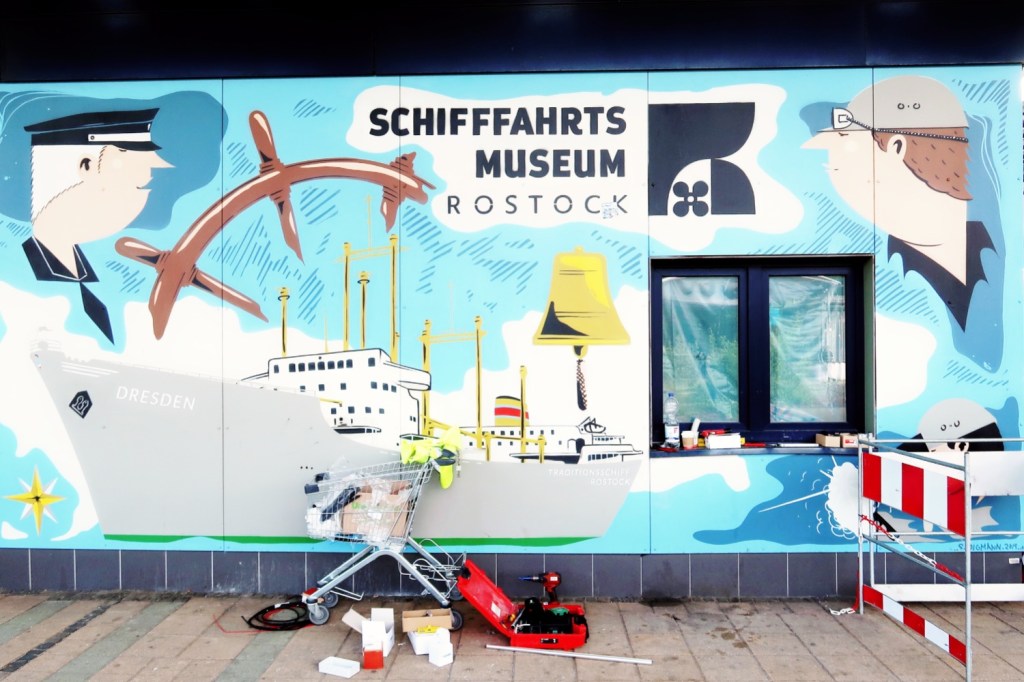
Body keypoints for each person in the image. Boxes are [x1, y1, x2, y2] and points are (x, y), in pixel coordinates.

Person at [803, 75, 995, 332]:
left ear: (896, 147)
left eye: (843, 151)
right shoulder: (886, 264)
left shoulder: (999, 257)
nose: (831, 169)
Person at [21, 108, 171, 342]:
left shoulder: (91, 274)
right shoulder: (20, 284)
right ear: (87, 167)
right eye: (134, 186)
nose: (138, 204)